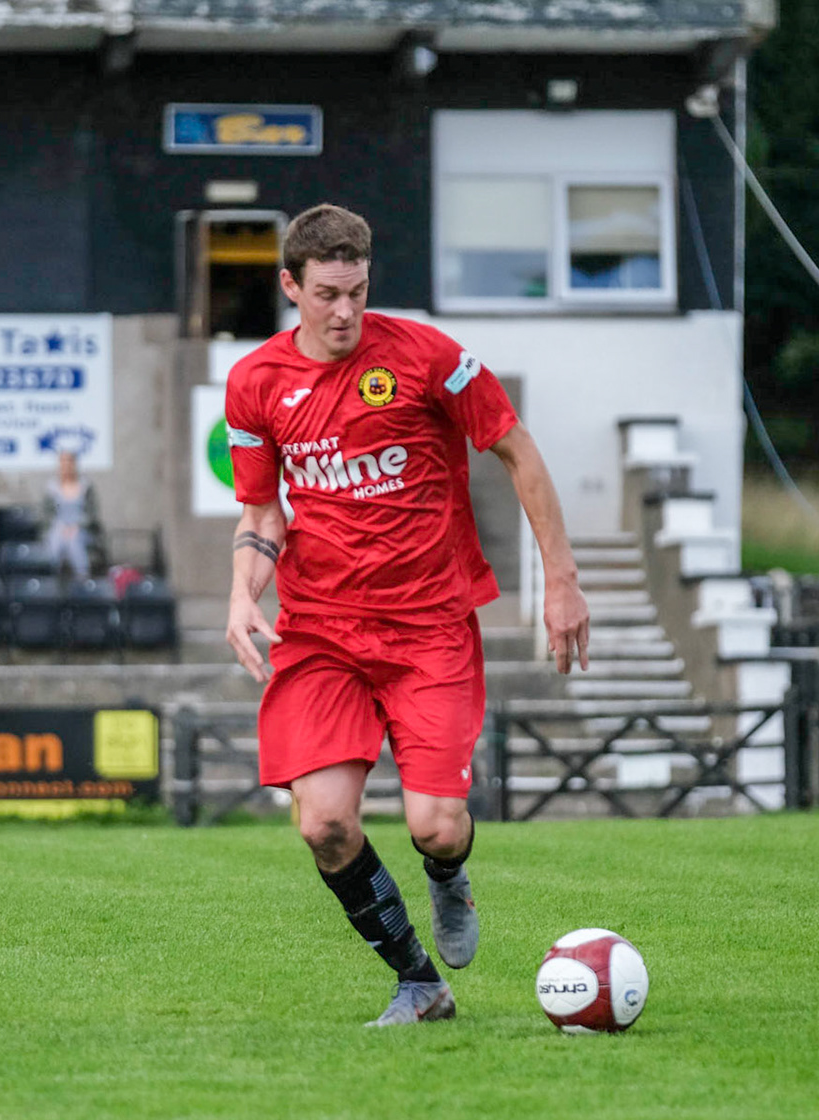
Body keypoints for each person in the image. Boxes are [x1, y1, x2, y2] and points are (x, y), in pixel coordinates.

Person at [223, 204, 589, 1028]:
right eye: (326, 294)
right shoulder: (254, 384)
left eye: (356, 291)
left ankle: (449, 873)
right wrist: (244, 589)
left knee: (436, 824)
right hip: (320, 633)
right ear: (291, 287)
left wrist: (561, 580)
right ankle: (418, 982)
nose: (344, 311)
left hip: (428, 626)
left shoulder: (431, 358)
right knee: (323, 824)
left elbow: (517, 450)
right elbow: (260, 511)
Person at [40, 451, 100, 579]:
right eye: (63, 463)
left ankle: (83, 578)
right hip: (58, 528)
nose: (66, 467)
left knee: (74, 541)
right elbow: (46, 515)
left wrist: (76, 526)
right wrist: (60, 527)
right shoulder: (51, 488)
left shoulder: (86, 487)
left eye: (69, 463)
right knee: (56, 539)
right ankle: (50, 579)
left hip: (82, 529)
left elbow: (92, 515)